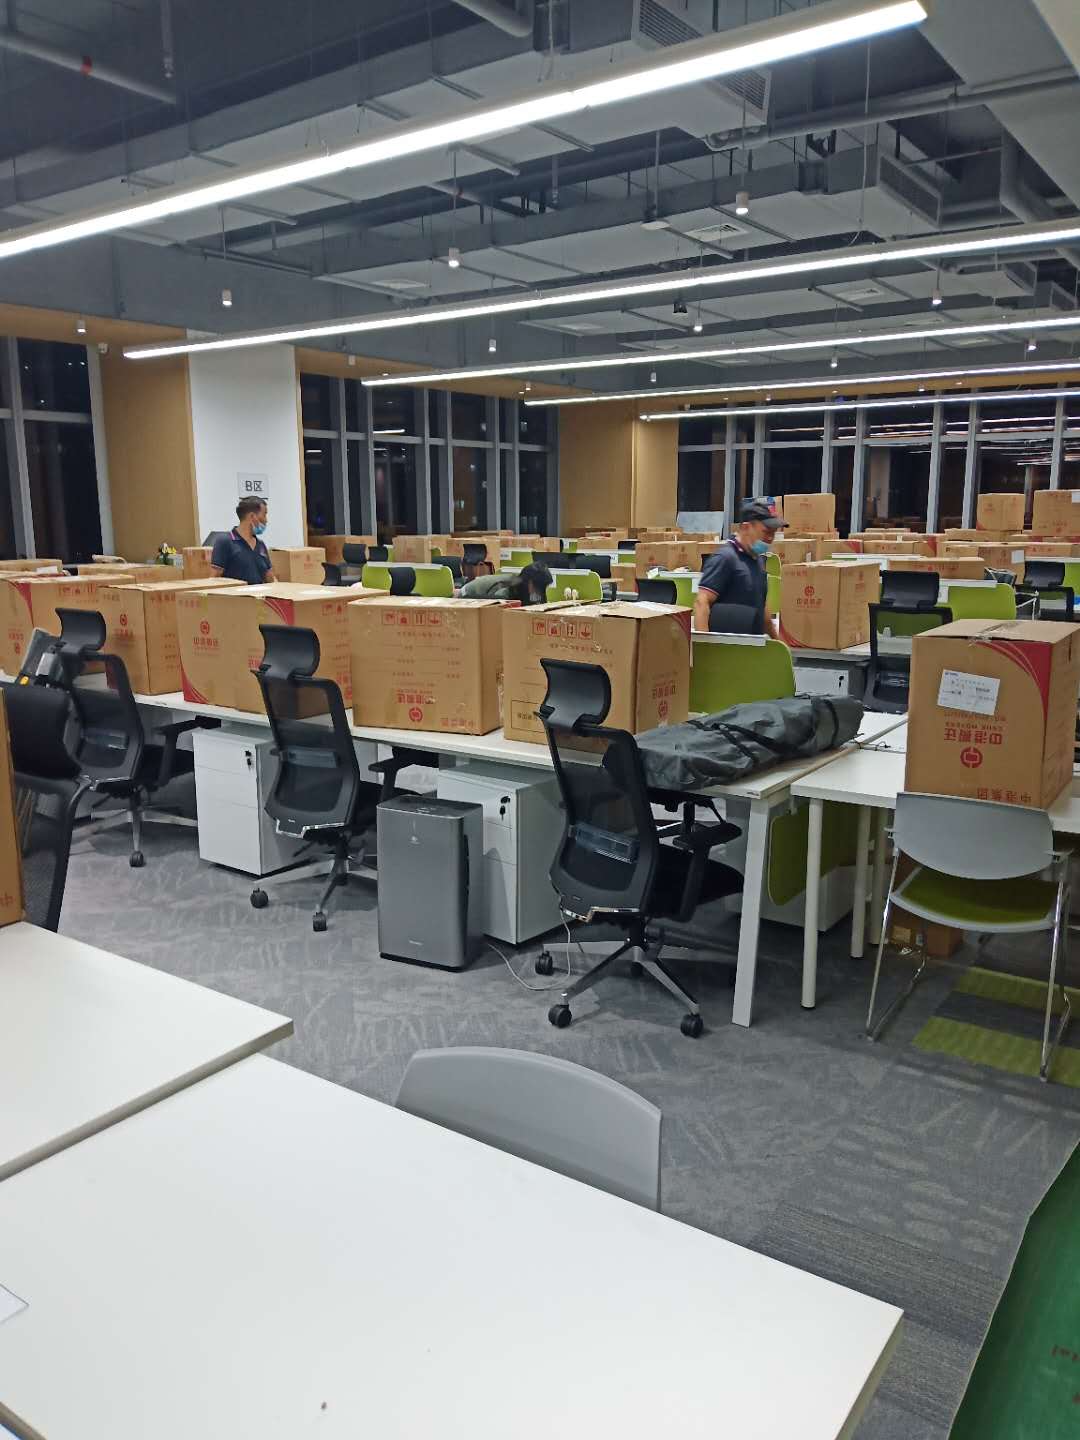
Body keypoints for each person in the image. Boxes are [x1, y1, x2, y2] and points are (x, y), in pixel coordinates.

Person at [693, 499, 786, 637]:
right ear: (746, 528)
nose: (770, 538)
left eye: (773, 533)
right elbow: (702, 602)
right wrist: (704, 644)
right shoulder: (725, 558)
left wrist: (777, 643)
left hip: (752, 645)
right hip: (729, 646)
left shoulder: (758, 560)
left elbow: (762, 608)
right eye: (766, 532)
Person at [210, 498, 276, 585]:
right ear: (252, 516)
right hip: (236, 593)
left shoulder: (260, 545)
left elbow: (270, 578)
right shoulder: (225, 542)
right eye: (264, 514)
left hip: (259, 593)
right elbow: (214, 580)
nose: (266, 520)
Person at [460, 562, 552, 604]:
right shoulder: (510, 588)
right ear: (530, 583)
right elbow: (496, 602)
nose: (540, 591)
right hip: (467, 594)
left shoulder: (524, 584)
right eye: (539, 587)